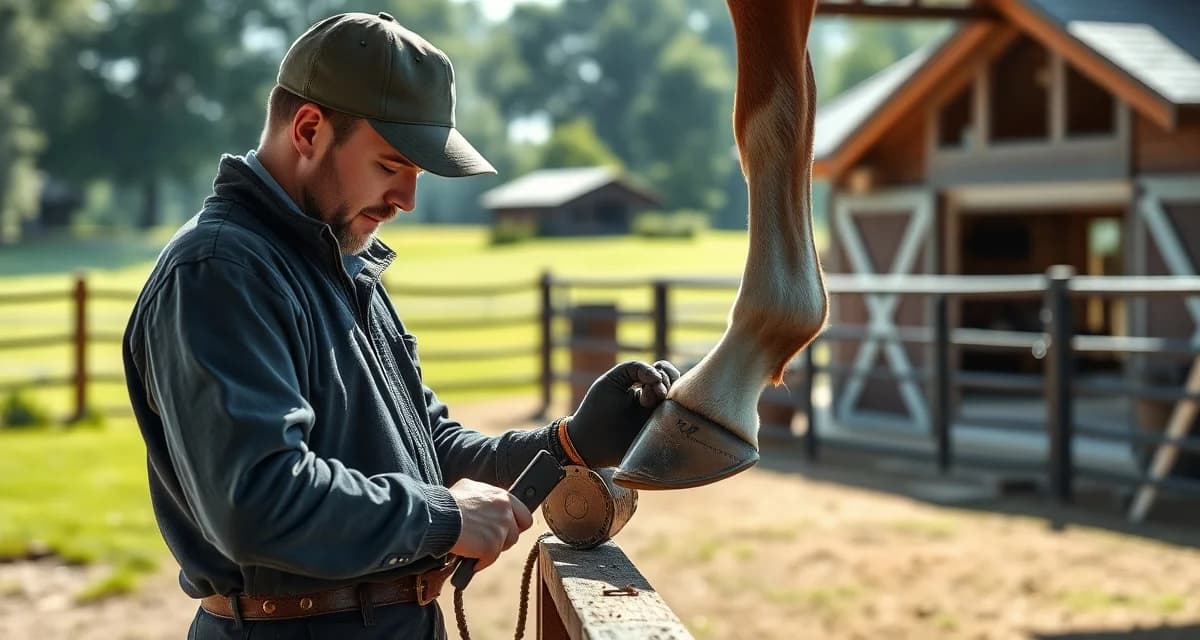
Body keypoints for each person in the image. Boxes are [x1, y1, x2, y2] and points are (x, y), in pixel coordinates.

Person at [121, 12, 679, 639]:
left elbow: (427, 448)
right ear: (309, 129)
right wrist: (443, 519)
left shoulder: (339, 261)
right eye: (392, 166)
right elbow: (256, 500)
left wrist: (566, 445)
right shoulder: (220, 271)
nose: (408, 199)